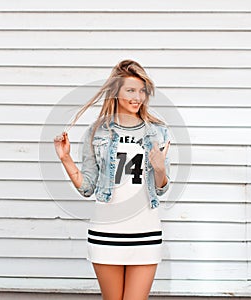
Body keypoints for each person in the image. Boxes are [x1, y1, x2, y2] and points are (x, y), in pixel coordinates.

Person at [54, 59, 170, 300]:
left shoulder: (158, 131)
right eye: (130, 90)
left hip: (145, 230)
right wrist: (65, 159)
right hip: (106, 231)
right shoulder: (97, 131)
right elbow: (87, 188)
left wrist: (159, 168)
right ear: (116, 92)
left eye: (142, 91)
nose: (137, 97)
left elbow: (160, 189)